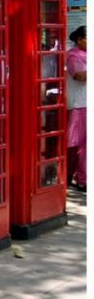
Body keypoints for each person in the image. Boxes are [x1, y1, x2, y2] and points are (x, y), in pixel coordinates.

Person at [65, 25, 86, 191]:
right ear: (79, 40)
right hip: (80, 105)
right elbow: (79, 76)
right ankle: (81, 179)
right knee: (79, 145)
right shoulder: (73, 56)